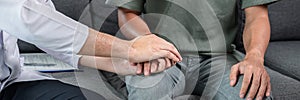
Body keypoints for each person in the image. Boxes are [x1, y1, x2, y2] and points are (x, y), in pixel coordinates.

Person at [0, 0, 182, 99]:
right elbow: (28, 20)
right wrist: (129, 49)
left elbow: (51, 36)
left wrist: (114, 63)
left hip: (10, 83)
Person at [106, 0, 277, 99]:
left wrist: (255, 56)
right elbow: (127, 12)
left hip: (220, 58)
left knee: (254, 94)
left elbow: (257, 15)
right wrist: (147, 42)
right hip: (158, 55)